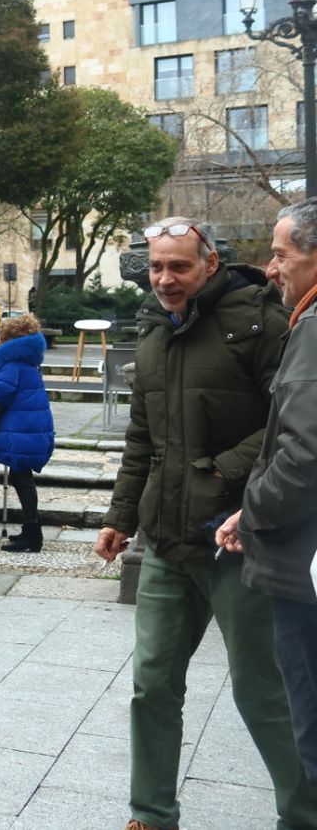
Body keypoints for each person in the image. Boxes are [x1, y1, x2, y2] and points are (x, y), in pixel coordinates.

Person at [94, 216, 317, 830]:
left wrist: (220, 470)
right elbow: (142, 434)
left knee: (263, 693)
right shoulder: (151, 329)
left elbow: (290, 424)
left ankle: (304, 815)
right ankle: (150, 814)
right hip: (164, 541)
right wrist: (120, 515)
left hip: (238, 541)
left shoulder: (260, 320)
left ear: (210, 263)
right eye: (156, 266)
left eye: (180, 267)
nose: (165, 278)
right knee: (152, 685)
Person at [218, 198, 317, 781]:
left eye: (281, 255)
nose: (271, 268)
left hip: (301, 568)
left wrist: (251, 514)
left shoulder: (311, 327)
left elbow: (303, 454)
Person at [0, 313, 53, 552]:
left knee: (22, 480)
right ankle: (30, 529)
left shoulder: (10, 366)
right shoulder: (28, 364)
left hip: (20, 431)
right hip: (29, 429)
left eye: (0, 335)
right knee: (21, 478)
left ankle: (33, 535)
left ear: (8, 339)